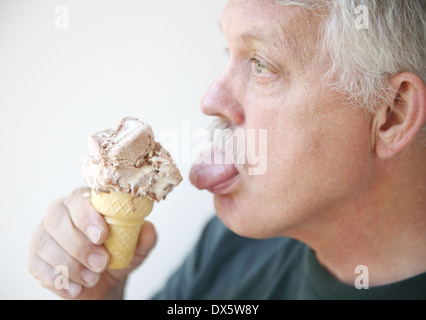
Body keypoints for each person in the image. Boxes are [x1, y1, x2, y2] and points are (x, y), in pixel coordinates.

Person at [28, 0, 426, 300]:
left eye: (261, 64)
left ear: (391, 114)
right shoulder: (229, 243)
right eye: (228, 54)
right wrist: (101, 294)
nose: (210, 99)